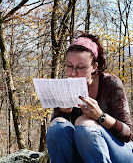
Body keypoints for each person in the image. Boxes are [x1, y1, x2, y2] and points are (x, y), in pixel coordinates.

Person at [46, 33, 133, 163]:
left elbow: (128, 135)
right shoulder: (66, 85)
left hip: (119, 150)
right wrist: (64, 112)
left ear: (94, 67)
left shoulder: (111, 83)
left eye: (81, 67)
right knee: (57, 125)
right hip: (83, 152)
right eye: (69, 66)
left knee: (84, 122)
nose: (74, 73)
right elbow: (58, 138)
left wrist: (100, 116)